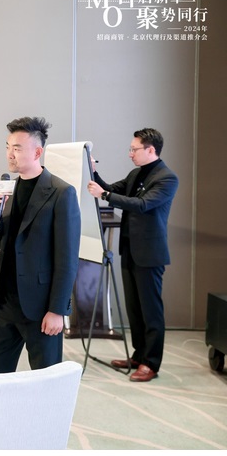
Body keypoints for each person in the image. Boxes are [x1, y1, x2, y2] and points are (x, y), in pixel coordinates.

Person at [0, 117, 81, 373]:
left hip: (41, 309)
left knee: (45, 380)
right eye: (8, 147)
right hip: (6, 305)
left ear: (37, 152)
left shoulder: (61, 193)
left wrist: (57, 310)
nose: (10, 154)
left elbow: (67, 259)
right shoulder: (8, 190)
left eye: (17, 148)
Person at [87, 128, 178, 382]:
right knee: (134, 309)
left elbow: (143, 205)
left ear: (151, 150)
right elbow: (111, 189)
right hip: (129, 250)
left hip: (149, 254)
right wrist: (93, 172)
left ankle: (151, 363)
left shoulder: (166, 178)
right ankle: (139, 356)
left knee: (151, 311)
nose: (130, 154)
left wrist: (105, 195)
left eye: (134, 149)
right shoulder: (136, 174)